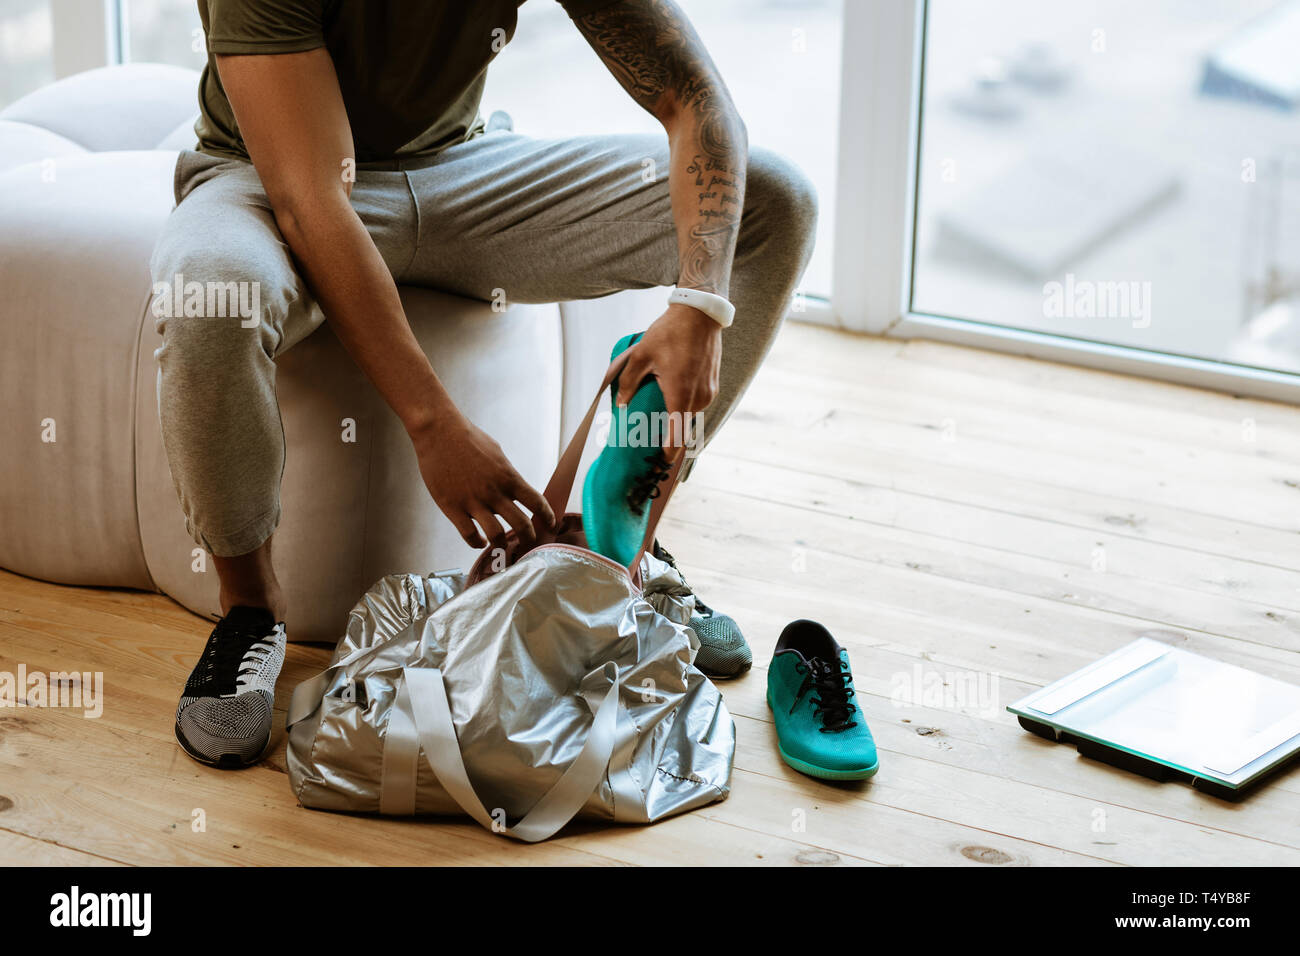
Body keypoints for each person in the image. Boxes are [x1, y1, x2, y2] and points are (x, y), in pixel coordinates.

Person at [153, 0, 817, 768]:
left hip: (457, 172)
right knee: (206, 293)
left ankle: (615, 545)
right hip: (271, 179)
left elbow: (694, 97)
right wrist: (434, 423)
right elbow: (312, 199)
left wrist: (701, 302)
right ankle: (249, 611)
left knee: (776, 202)